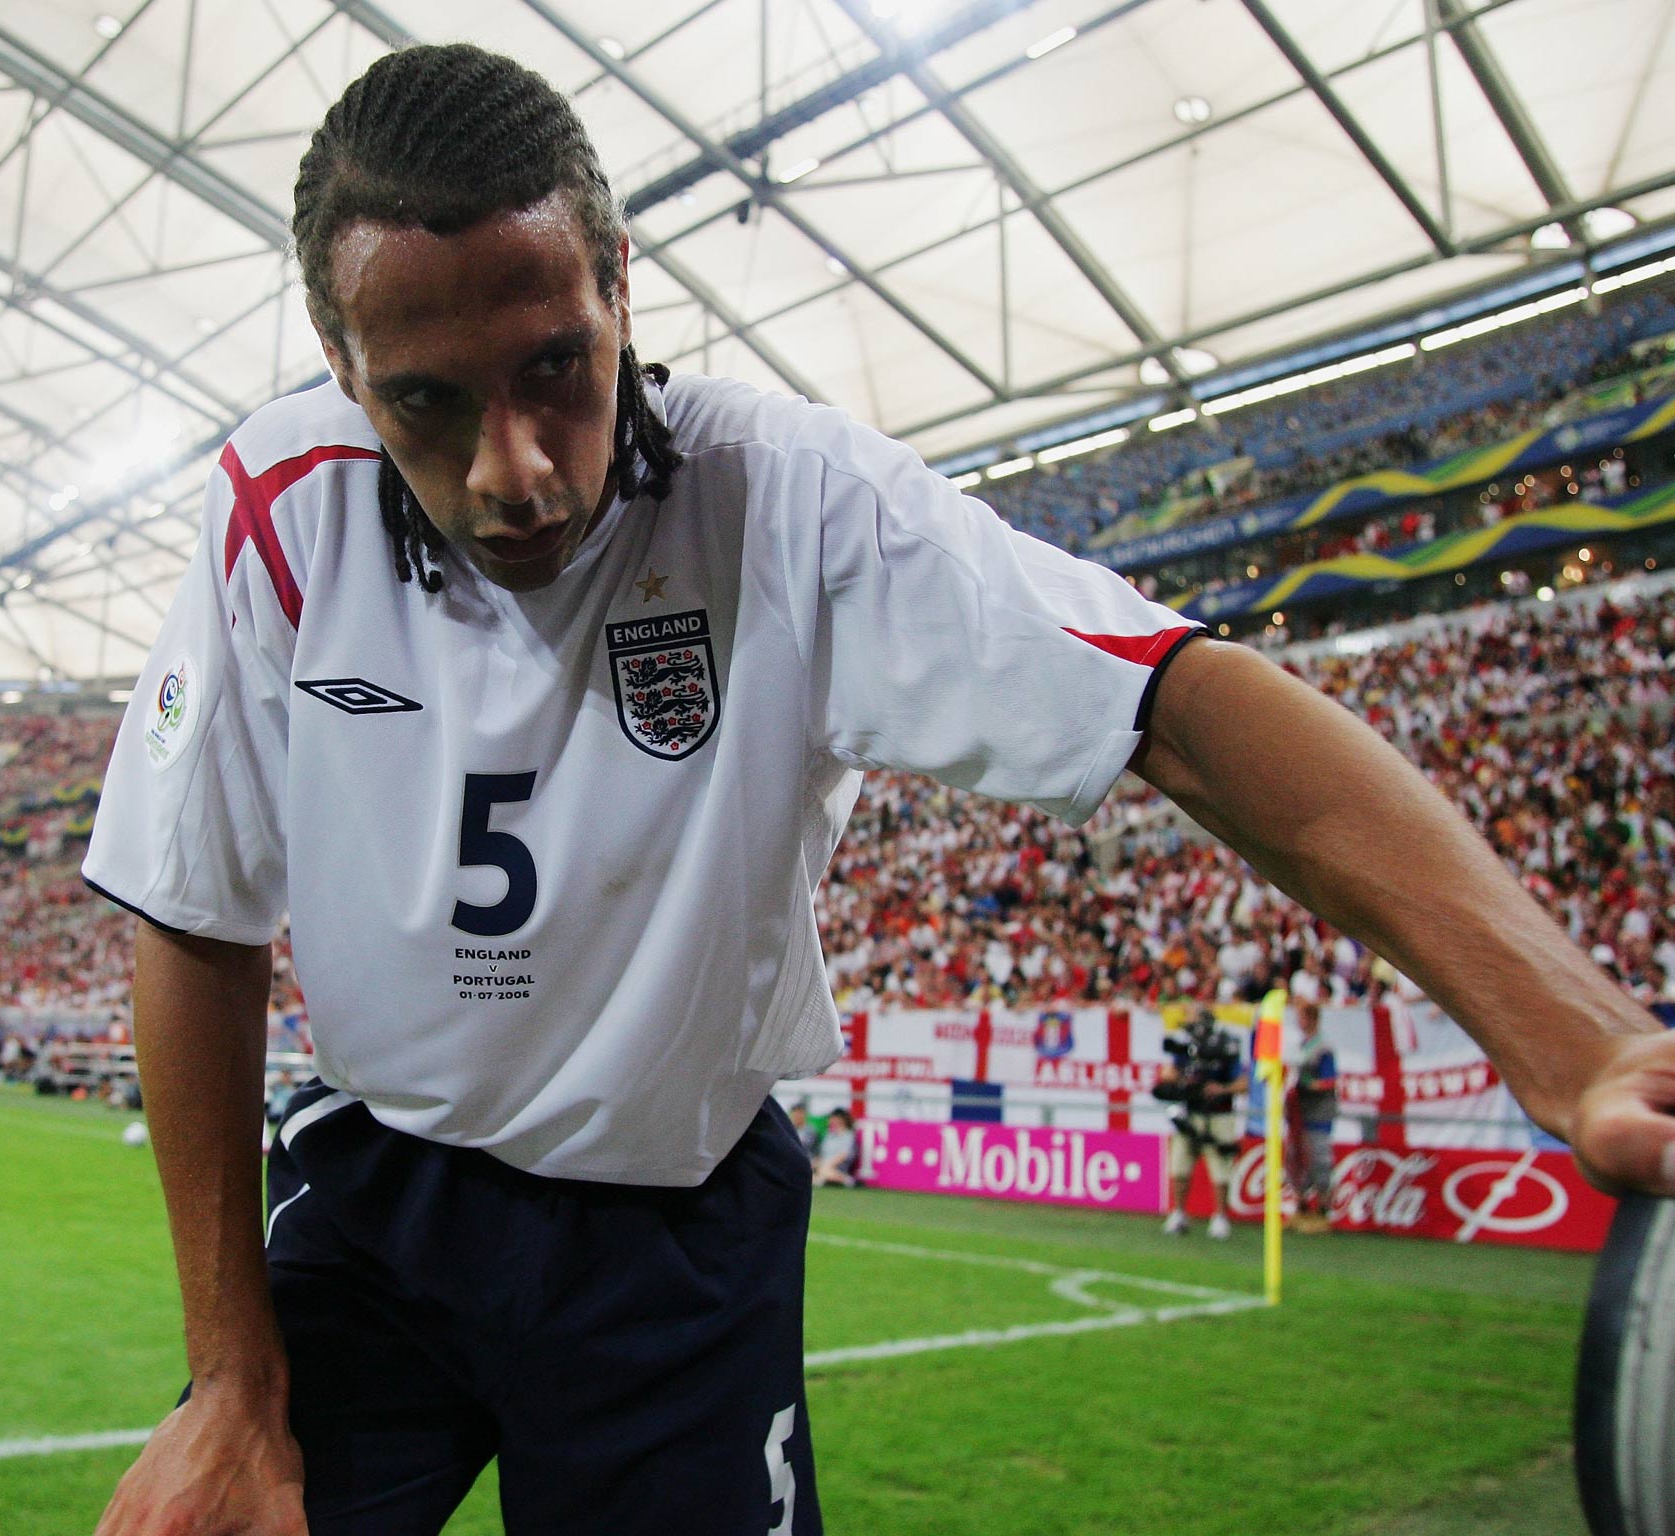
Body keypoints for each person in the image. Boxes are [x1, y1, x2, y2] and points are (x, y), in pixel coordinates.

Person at [82, 43, 1675, 1536]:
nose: (519, 468)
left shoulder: (787, 502)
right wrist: (233, 1378)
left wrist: (1576, 1035)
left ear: (623, 285)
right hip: (383, 1201)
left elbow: (1182, 705)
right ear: (341, 371)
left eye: (556, 365)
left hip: (671, 1236)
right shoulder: (278, 511)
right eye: (428, 399)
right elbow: (193, 912)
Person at [1154, 1011, 1251, 1239]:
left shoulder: (1225, 1049)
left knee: (1220, 1167)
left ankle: (1219, 1217)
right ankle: (1178, 1213)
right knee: (1179, 1165)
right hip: (1191, 1113)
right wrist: (1183, 1083)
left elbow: (1244, 1083)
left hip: (1219, 1114)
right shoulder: (1187, 1050)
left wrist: (1222, 1089)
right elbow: (1167, 1073)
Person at [1286, 1000, 1340, 1233]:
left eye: (1302, 1016)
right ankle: (1301, 1207)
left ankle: (1323, 1210)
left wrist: (1307, 1084)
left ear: (1312, 1019)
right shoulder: (1300, 1045)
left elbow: (1330, 1081)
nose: (1299, 1021)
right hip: (1299, 1112)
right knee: (1296, 1158)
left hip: (1318, 1112)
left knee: (1319, 1158)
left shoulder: (1323, 1048)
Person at [812, 1109, 860, 1189]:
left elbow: (844, 1155)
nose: (831, 1120)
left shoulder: (848, 1135)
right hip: (824, 1165)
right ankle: (828, 1180)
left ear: (842, 1120)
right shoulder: (829, 1135)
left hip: (839, 1166)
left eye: (833, 1118)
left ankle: (844, 1179)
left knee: (824, 1170)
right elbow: (822, 1154)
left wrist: (828, 1164)